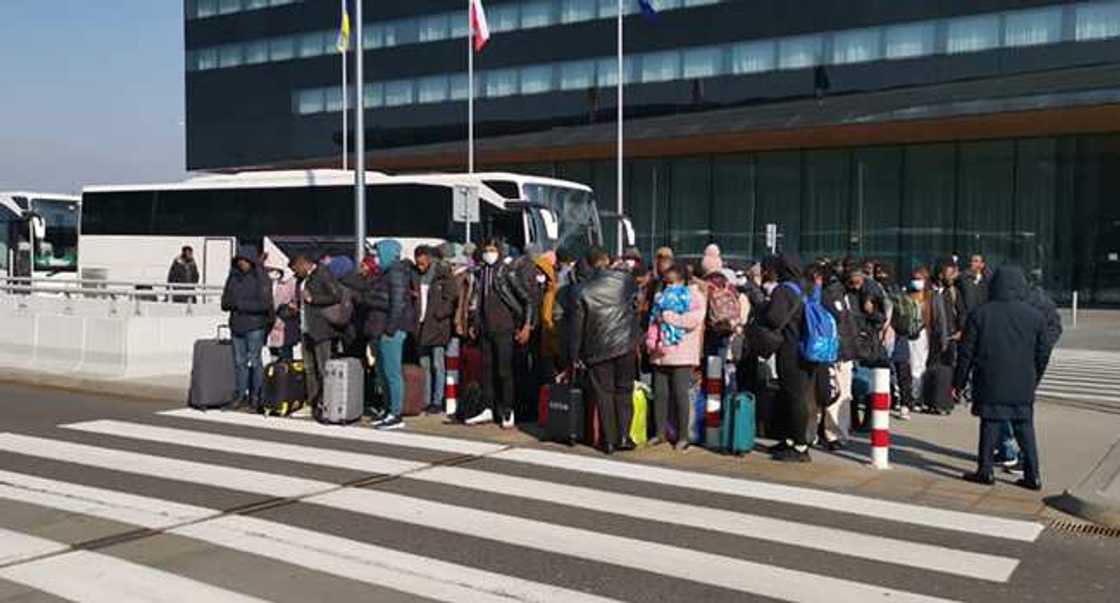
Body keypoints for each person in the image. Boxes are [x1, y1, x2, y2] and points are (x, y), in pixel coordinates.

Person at [955, 266, 1051, 490]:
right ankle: (1033, 475)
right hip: (1023, 383)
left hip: (990, 380)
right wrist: (1034, 375)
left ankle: (985, 471)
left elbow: (966, 353)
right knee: (1025, 429)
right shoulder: (1034, 316)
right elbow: (1043, 352)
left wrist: (958, 383)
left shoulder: (980, 314)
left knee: (989, 426)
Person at [569, 247, 641, 455]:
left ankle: (608, 440)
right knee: (624, 391)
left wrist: (574, 355)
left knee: (604, 394)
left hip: (597, 347)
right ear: (607, 260)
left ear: (589, 264)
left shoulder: (581, 290)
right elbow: (636, 304)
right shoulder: (625, 281)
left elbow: (577, 328)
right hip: (625, 343)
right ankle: (624, 437)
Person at [470, 239, 535, 428]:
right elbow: (477, 300)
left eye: (492, 250)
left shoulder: (506, 273)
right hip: (485, 328)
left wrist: (526, 325)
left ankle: (508, 410)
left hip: (504, 328)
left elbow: (527, 299)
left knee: (504, 371)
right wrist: (475, 322)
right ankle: (488, 407)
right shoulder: (480, 272)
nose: (488, 253)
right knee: (486, 370)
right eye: (486, 250)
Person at [647, 262, 706, 451]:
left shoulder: (694, 295)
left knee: (681, 394)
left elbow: (694, 320)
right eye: (667, 282)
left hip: (682, 352)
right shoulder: (660, 297)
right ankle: (659, 432)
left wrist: (671, 318)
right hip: (660, 351)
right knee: (660, 393)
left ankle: (683, 436)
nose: (669, 285)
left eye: (672, 281)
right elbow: (653, 318)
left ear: (682, 279)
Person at [763, 254, 815, 463]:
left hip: (790, 350)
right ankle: (790, 439)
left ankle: (800, 446)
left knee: (793, 396)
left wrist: (764, 306)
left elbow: (774, 319)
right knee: (794, 395)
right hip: (809, 349)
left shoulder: (783, 290)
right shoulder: (808, 287)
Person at [362, 239, 417, 430]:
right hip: (382, 327)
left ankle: (396, 413)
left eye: (377, 253)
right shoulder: (385, 272)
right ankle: (387, 409)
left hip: (391, 328)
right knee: (383, 371)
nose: (375, 258)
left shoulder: (396, 272)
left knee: (392, 372)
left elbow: (398, 303)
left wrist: (391, 329)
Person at [220, 245, 274, 408]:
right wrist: (234, 304)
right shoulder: (233, 277)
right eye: (239, 260)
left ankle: (256, 395)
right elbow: (224, 302)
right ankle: (241, 394)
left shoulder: (261, 278)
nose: (242, 263)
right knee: (239, 362)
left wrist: (240, 304)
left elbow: (265, 305)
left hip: (255, 326)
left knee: (255, 361)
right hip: (237, 325)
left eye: (244, 260)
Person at [289, 252, 341, 412]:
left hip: (321, 329)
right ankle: (313, 402)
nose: (294, 273)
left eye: (295, 269)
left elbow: (336, 295)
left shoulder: (322, 273)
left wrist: (314, 299)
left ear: (303, 263)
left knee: (323, 368)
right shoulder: (302, 279)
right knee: (309, 368)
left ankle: (326, 401)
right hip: (306, 327)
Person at [414, 245, 458, 416]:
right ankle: (426, 400)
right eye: (418, 264)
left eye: (423, 263)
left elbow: (451, 297)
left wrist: (440, 314)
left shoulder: (442, 275)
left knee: (437, 364)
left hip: (437, 325)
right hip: (421, 324)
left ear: (430, 259)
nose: (420, 267)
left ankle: (437, 400)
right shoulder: (417, 276)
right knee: (424, 364)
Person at [265, 262, 299, 362]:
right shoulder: (266, 283)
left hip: (285, 324)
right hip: (270, 324)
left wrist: (289, 307)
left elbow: (296, 301)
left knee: (286, 353)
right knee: (273, 354)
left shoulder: (291, 282)